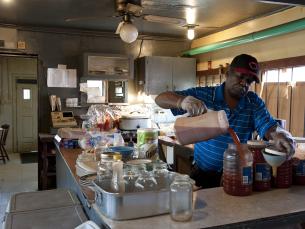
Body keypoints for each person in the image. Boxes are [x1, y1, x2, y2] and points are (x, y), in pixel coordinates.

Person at [155, 54, 295, 189]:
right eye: (240, 77)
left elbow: (269, 126)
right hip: (203, 174)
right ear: (228, 74)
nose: (244, 83)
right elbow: (160, 98)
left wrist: (282, 135)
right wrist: (181, 101)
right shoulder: (205, 95)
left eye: (249, 81)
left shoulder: (253, 103)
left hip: (236, 174)